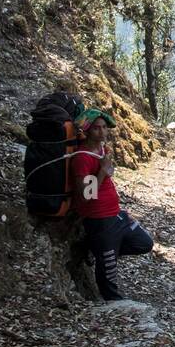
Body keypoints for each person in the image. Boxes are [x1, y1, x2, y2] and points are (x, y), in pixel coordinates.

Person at [69, 109, 153, 302]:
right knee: (107, 269)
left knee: (144, 243)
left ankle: (96, 248)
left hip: (116, 215)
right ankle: (114, 302)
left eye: (104, 127)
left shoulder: (102, 149)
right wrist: (102, 172)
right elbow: (86, 196)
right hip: (99, 220)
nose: (102, 132)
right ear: (87, 130)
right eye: (96, 128)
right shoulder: (82, 158)